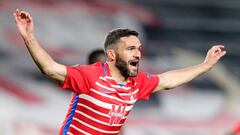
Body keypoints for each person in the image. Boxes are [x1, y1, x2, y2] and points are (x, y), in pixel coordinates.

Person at [13, 9, 226, 135]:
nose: (138, 54)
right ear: (112, 55)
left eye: (139, 49)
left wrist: (205, 65)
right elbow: (49, 68)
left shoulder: (137, 83)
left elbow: (168, 80)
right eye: (131, 49)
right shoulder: (90, 76)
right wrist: (29, 37)